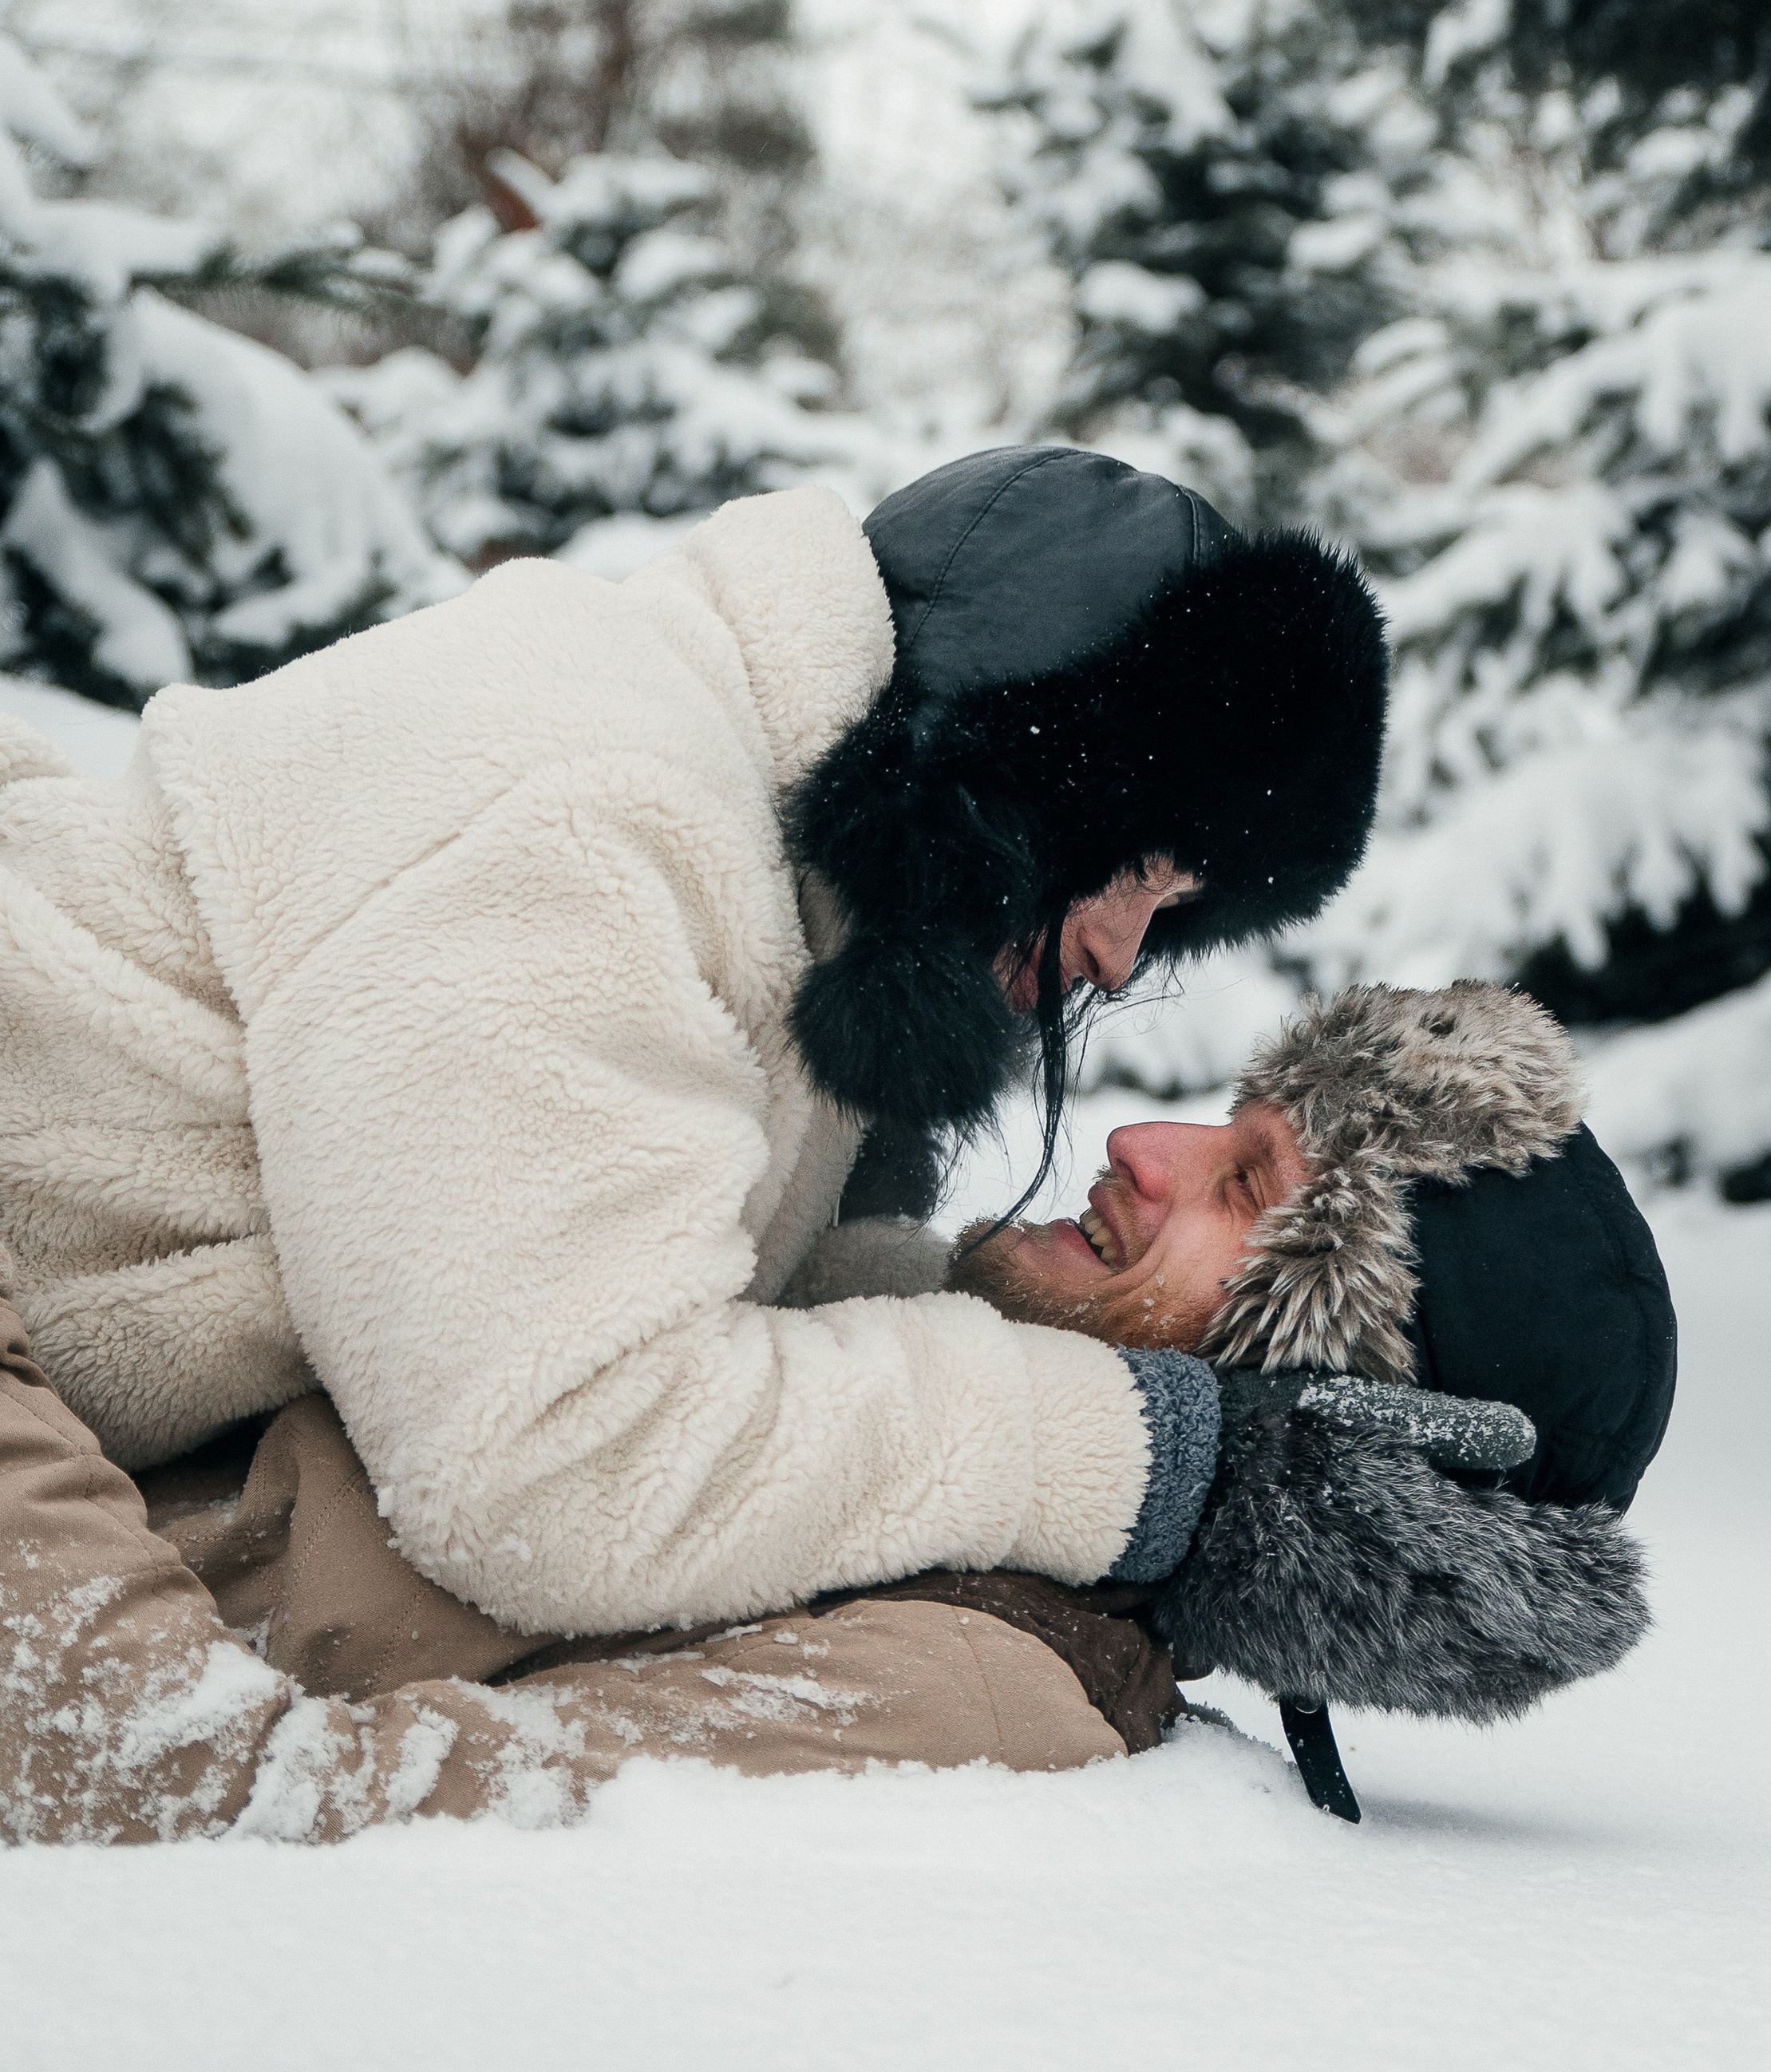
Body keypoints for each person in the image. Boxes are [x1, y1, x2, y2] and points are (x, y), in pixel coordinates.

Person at [0, 445, 1387, 1645]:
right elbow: (555, 1472)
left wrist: (1073, 1335)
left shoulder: (783, 880)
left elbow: (703, 1276)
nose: (1122, 955)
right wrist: (1114, 1457)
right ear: (1022, 761)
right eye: (1143, 870)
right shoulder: (604, 807)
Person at [0, 980, 1670, 1845]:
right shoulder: (852, 1345)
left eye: (1242, 1184)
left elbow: (194, 1785)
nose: (1136, 1143)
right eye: (1220, 1111)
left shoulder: (968, 1670)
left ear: (1330, 1397)